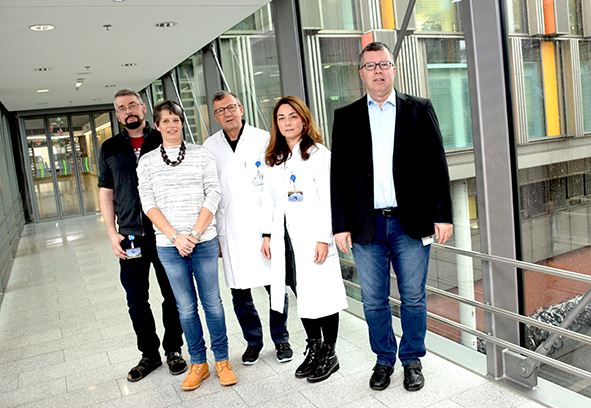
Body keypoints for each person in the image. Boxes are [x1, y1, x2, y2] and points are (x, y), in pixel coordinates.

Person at [330, 42, 453, 392]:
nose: (378, 71)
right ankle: (384, 359)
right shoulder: (346, 117)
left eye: (383, 64)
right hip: (365, 225)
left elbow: (437, 166)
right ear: (361, 74)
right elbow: (339, 176)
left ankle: (411, 359)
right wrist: (340, 225)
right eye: (370, 66)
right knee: (373, 300)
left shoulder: (419, 109)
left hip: (410, 223)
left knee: (413, 297)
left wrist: (442, 216)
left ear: (394, 69)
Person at [136, 100, 236, 391]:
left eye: (176, 120)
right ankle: (198, 364)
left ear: (182, 123)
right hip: (169, 247)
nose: (171, 125)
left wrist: (193, 234)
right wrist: (175, 237)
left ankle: (222, 360)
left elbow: (213, 192)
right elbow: (148, 203)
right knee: (186, 308)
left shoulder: (201, 154)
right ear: (157, 126)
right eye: (165, 121)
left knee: (213, 304)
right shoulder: (147, 162)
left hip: (203, 241)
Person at [98, 89, 187, 382]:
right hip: (130, 238)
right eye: (122, 108)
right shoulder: (110, 147)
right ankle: (149, 354)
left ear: (144, 108)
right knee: (136, 300)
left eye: (132, 105)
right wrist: (112, 233)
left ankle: (173, 349)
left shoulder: (162, 137)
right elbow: (106, 192)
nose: (128, 111)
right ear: (117, 114)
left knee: (172, 295)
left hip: (164, 235)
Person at [261, 96, 348, 383]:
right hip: (285, 238)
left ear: (304, 120)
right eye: (281, 118)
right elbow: (269, 199)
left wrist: (324, 238)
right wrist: (266, 234)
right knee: (303, 295)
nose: (287, 123)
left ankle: (330, 353)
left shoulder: (318, 154)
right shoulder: (274, 157)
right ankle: (314, 348)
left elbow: (331, 198)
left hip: (313, 237)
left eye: (292, 117)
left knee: (323, 295)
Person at [203, 90, 292, 366]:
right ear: (215, 116)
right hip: (229, 230)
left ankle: (281, 339)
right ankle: (253, 341)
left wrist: (269, 232)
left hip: (262, 226)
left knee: (275, 286)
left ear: (241, 109)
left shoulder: (263, 139)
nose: (227, 113)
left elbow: (274, 188)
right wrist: (213, 234)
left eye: (231, 107)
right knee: (239, 292)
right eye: (221, 110)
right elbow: (209, 192)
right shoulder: (209, 147)